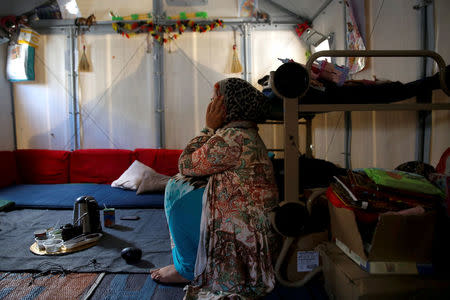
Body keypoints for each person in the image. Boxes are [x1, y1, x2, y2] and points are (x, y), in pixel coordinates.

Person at [150, 78, 280, 299]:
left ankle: (188, 269)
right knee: (182, 187)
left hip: (245, 234)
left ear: (226, 106)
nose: (210, 105)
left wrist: (208, 127)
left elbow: (186, 164)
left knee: (177, 188)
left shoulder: (232, 138)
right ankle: (188, 265)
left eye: (214, 101)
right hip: (256, 228)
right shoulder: (243, 133)